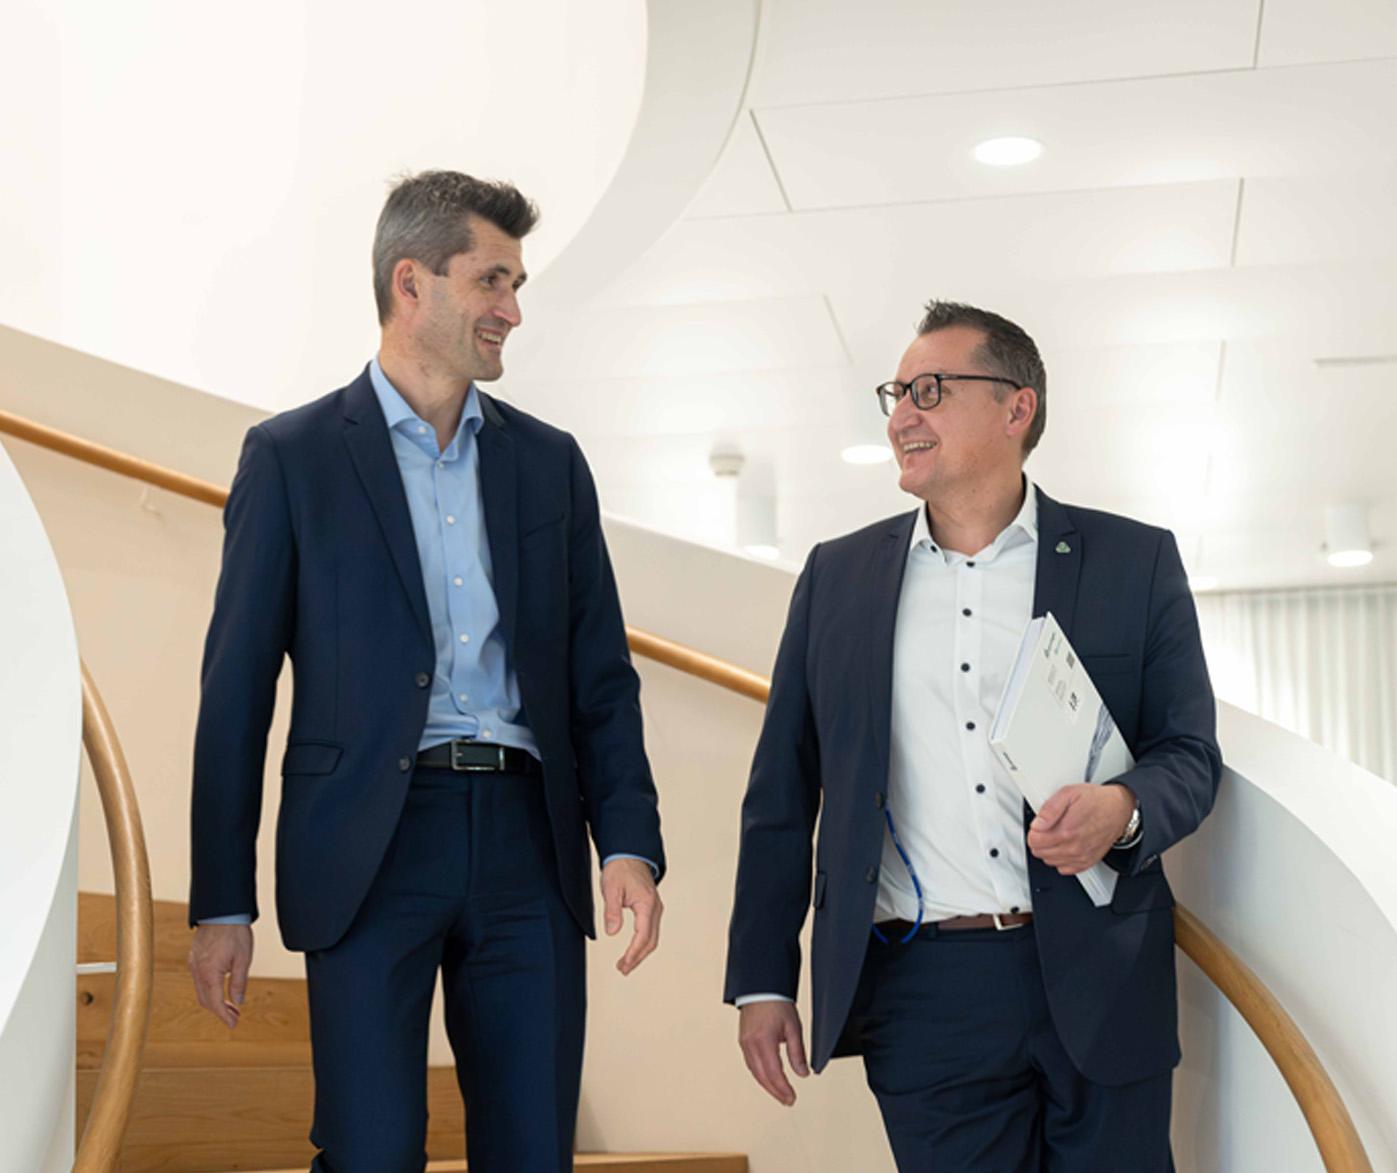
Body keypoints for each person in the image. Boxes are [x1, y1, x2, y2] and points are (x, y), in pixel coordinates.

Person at [186, 170, 665, 1173]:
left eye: (516, 284)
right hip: (367, 846)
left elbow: (599, 677)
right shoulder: (292, 457)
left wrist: (626, 841)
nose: (512, 310)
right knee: (369, 1151)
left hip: (529, 843)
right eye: (492, 280)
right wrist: (222, 902)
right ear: (411, 283)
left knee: (533, 1152)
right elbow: (235, 694)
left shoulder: (550, 463)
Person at [724, 301, 1220, 1171]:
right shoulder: (837, 576)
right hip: (923, 991)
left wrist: (1122, 808)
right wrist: (762, 978)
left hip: (1098, 969)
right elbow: (782, 791)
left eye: (929, 390)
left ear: (1015, 406)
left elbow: (1188, 752)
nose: (899, 417)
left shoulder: (1132, 560)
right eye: (896, 395)